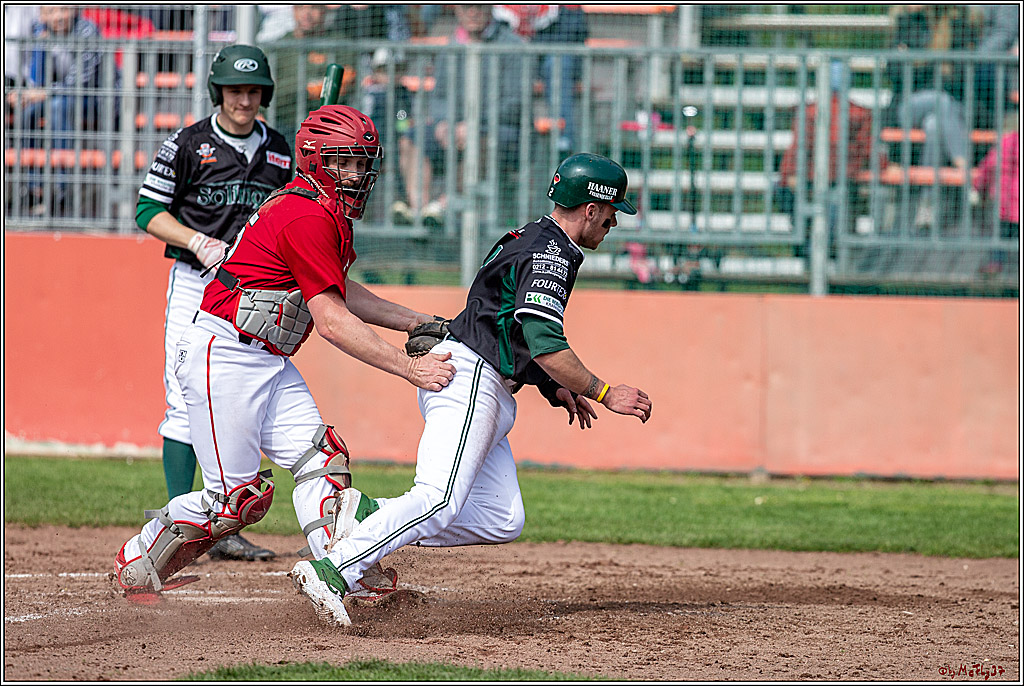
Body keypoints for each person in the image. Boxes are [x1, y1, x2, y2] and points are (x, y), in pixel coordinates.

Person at [288, 152, 653, 627]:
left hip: (488, 382)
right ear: (590, 208)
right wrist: (604, 391)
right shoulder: (552, 252)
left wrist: (551, 386)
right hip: (473, 380)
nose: (612, 224)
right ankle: (334, 568)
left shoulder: (534, 238)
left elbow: (507, 327)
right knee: (439, 499)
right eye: (610, 214)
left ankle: (367, 518)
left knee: (502, 517)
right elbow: (543, 342)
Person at [113, 104, 457, 603]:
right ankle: (138, 563)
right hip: (224, 355)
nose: (356, 174)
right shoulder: (304, 214)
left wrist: (418, 321)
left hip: (267, 358)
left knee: (323, 461)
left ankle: (346, 576)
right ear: (315, 160)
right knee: (235, 502)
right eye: (343, 162)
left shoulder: (322, 212)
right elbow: (334, 322)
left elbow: (340, 290)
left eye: (362, 162)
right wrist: (409, 368)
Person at [134, 44, 293, 563]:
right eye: (234, 90)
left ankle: (222, 525)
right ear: (218, 92)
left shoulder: (280, 150)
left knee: (237, 402)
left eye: (252, 91)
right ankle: (181, 519)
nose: (243, 99)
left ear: (263, 93)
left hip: (252, 295)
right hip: (194, 282)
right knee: (183, 401)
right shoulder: (187, 143)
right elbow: (146, 210)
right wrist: (197, 240)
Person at [394, 4, 524, 226]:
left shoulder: (513, 46)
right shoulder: (450, 47)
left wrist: (472, 124)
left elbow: (513, 103)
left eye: (478, 7)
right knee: (411, 138)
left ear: (490, 9)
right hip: (454, 128)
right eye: (466, 7)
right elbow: (438, 97)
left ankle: (443, 205)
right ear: (456, 10)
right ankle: (420, 211)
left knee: (476, 143)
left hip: (497, 130)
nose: (472, 13)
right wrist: (444, 123)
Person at [777, 61, 880, 258]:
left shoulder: (809, 111)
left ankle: (810, 259)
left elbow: (798, 146)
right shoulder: (858, 113)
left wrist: (790, 173)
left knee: (814, 229)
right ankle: (821, 262)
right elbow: (867, 148)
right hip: (838, 181)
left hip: (814, 181)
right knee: (831, 235)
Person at [9, 6, 103, 216]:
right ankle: (35, 188)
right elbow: (37, 80)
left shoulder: (87, 31)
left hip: (95, 100)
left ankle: (63, 190)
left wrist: (39, 93)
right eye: (50, 12)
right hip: (56, 96)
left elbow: (80, 83)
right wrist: (41, 47)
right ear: (41, 15)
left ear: (75, 11)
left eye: (63, 10)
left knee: (58, 106)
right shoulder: (40, 30)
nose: (58, 17)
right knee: (28, 112)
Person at [493, 5, 589, 154]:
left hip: (547, 58)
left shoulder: (565, 10)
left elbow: (575, 33)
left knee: (558, 64)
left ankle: (564, 141)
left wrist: (535, 41)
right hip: (510, 59)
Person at [973, 126, 1019, 275]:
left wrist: (979, 187)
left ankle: (995, 264)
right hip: (1011, 205)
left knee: (999, 236)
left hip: (1005, 205)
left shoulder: (1004, 143)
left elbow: (987, 168)